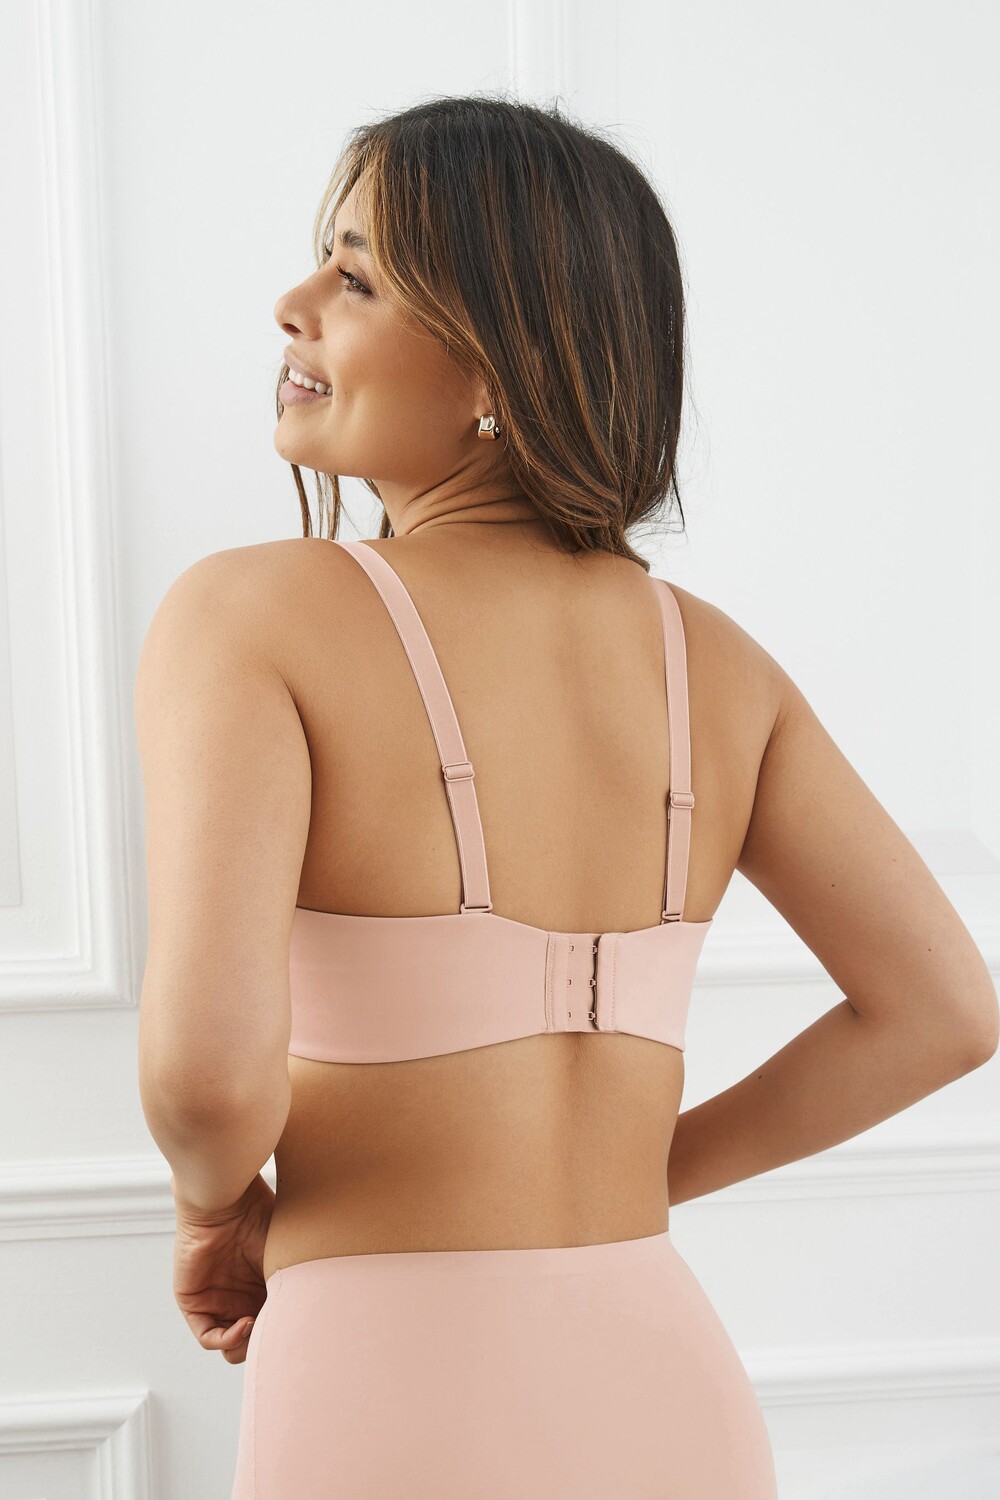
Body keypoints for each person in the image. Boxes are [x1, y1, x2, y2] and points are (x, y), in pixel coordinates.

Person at [134, 94, 998, 1499]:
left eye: (356, 278)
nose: (294, 305)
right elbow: (945, 1011)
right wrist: (637, 1180)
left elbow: (209, 1082)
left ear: (498, 367)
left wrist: (209, 1215)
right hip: (662, 1371)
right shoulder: (719, 665)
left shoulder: (247, 616)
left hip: (385, 1382)